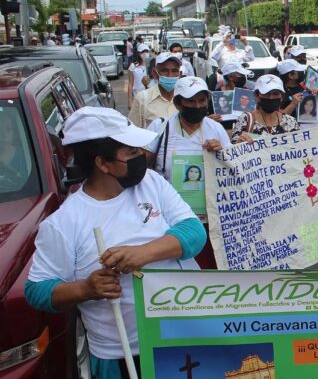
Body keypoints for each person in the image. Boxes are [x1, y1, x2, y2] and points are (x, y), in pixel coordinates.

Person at [24, 107, 206, 378]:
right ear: (103, 163)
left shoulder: (151, 184)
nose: (142, 157)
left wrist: (143, 254)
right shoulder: (64, 222)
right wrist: (86, 288)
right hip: (123, 355)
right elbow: (37, 291)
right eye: (131, 153)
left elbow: (194, 233)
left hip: (186, 336)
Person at [145, 76, 231, 183]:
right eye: (191, 101)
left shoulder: (216, 128)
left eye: (202, 100)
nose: (197, 106)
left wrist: (221, 153)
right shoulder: (160, 127)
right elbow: (142, 165)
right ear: (177, 104)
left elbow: (230, 168)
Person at [128, 52, 182, 128]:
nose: (170, 75)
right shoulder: (143, 98)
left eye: (174, 71)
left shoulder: (186, 98)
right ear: (154, 73)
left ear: (180, 73)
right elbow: (132, 131)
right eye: (165, 71)